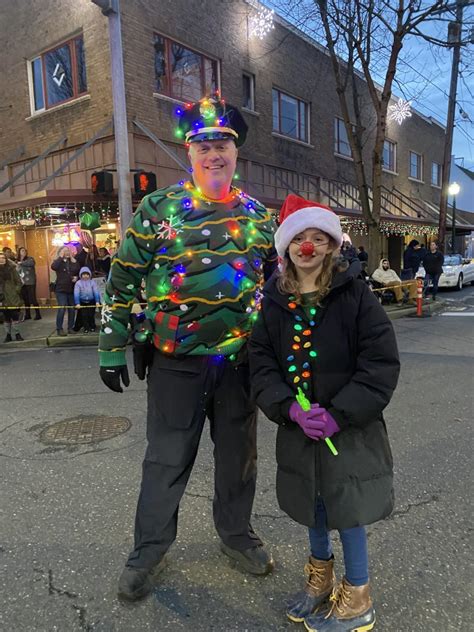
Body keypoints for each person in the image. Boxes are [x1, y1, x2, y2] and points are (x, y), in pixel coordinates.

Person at [98, 95, 277, 602]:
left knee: (238, 459)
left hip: (240, 365)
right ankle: (148, 551)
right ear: (190, 153)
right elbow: (122, 280)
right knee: (166, 459)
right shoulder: (159, 209)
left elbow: (279, 287)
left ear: (235, 151)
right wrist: (112, 348)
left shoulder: (258, 217)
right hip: (176, 363)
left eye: (221, 143)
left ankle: (237, 538)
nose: (212, 153)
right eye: (202, 145)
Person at [248, 194, 400, 632]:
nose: (308, 246)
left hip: (349, 433)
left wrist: (340, 413)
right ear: (286, 246)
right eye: (299, 237)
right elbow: (261, 363)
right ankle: (320, 582)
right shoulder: (274, 302)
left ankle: (358, 598)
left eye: (318, 237)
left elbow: (380, 364)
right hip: (299, 435)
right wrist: (289, 411)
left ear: (332, 245)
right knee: (312, 508)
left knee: (346, 509)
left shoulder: (355, 295)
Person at [51, 246, 80, 336]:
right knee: (62, 308)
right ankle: (59, 328)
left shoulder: (72, 261)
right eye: (65, 251)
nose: (67, 252)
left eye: (68, 251)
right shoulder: (58, 262)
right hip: (61, 289)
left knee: (71, 309)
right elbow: (54, 267)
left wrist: (76, 277)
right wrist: (60, 257)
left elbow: (77, 269)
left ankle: (70, 327)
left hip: (71, 288)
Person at [0, 252, 24, 342]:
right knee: (6, 318)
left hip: (13, 297)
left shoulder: (11, 269)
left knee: (15, 317)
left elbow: (19, 282)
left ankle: (17, 334)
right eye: (0, 258)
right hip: (2, 298)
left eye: (3, 258)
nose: (1, 259)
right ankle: (8, 335)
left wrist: (15, 291)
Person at [16, 247, 41, 320]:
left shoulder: (30, 259)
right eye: (22, 251)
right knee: (25, 299)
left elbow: (31, 263)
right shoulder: (17, 260)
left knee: (33, 298)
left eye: (25, 251)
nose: (24, 252)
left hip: (30, 282)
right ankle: (28, 314)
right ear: (19, 252)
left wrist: (21, 263)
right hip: (22, 282)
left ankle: (38, 314)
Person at [74, 266, 101, 333]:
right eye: (83, 274)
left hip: (91, 301)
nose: (85, 276)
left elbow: (96, 292)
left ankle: (92, 326)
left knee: (91, 315)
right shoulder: (78, 283)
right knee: (84, 315)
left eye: (87, 274)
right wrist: (77, 303)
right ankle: (86, 328)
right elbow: (76, 293)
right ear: (81, 275)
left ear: (89, 275)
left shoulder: (92, 282)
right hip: (82, 302)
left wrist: (97, 301)